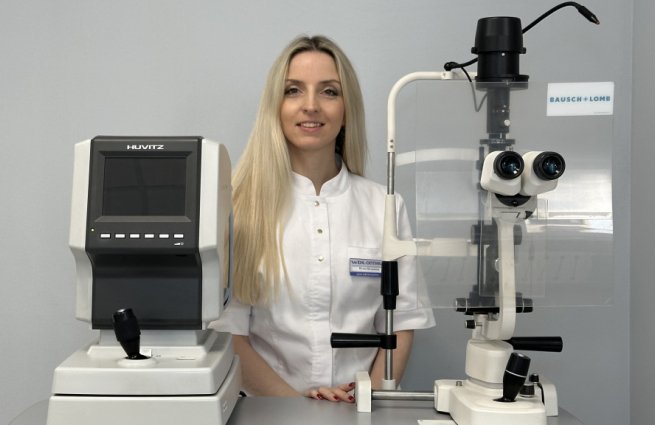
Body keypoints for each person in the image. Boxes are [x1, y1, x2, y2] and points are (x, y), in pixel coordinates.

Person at [212, 35, 434, 403]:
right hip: (265, 413)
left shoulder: (384, 206)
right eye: (293, 90)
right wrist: (299, 408)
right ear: (275, 106)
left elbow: (401, 325)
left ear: (347, 110)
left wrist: (367, 402)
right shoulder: (237, 207)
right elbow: (228, 334)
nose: (311, 106)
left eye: (329, 91)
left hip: (360, 412)